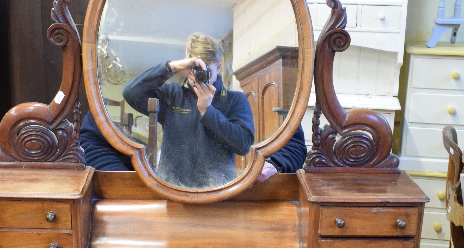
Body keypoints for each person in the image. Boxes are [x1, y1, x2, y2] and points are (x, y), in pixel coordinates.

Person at [80, 32, 307, 181]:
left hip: (221, 191)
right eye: (196, 66)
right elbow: (131, 93)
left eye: (207, 69)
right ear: (188, 63)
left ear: (218, 67)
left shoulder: (235, 100)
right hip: (170, 187)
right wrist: (170, 67)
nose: (201, 75)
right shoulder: (172, 94)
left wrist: (208, 110)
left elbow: (243, 145)